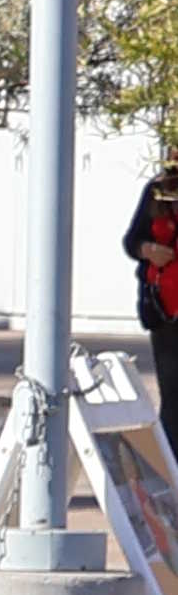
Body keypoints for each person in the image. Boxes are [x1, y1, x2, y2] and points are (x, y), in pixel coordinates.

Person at [123, 159, 178, 411]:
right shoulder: (158, 190)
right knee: (172, 395)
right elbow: (132, 241)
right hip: (165, 309)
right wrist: (148, 250)